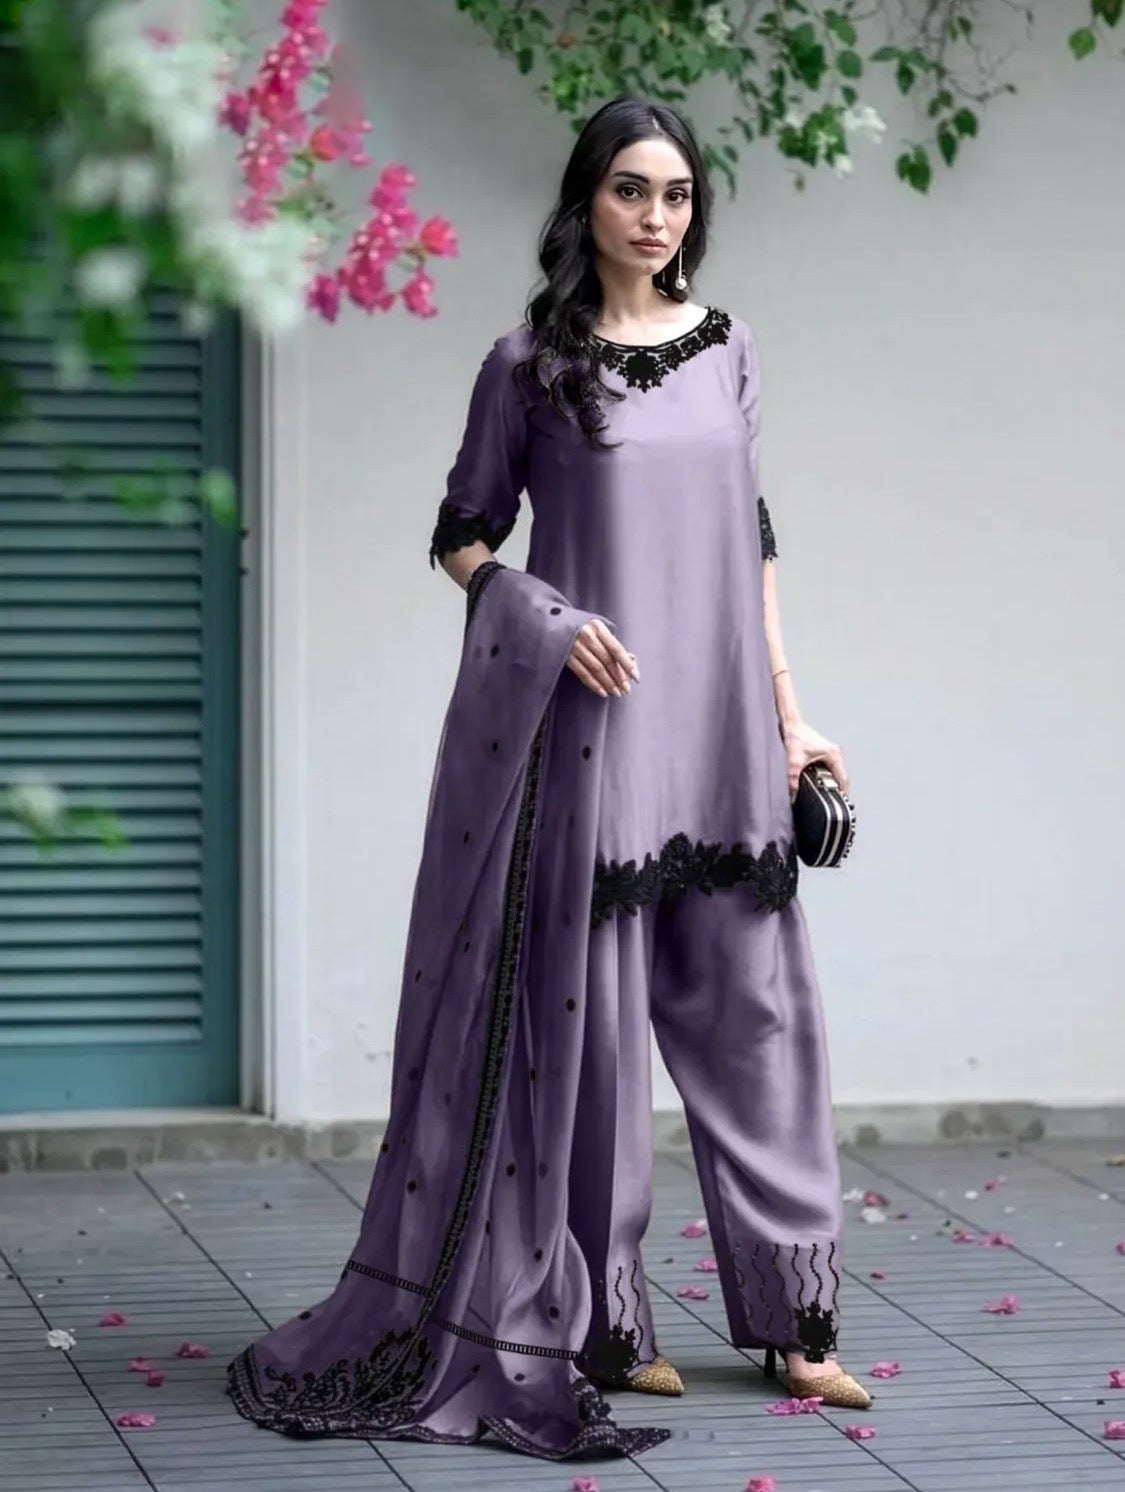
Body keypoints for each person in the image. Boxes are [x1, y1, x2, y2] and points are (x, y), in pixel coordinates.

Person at [227, 94, 871, 1463]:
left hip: (721, 739)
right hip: (599, 739)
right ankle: (607, 1323)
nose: (656, 216)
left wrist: (791, 717)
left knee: (759, 1029)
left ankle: (795, 1322)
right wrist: (541, 614)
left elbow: (749, 543)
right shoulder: (528, 367)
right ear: (586, 200)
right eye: (631, 190)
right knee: (597, 1045)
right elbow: (461, 534)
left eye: (677, 195)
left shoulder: (729, 351)